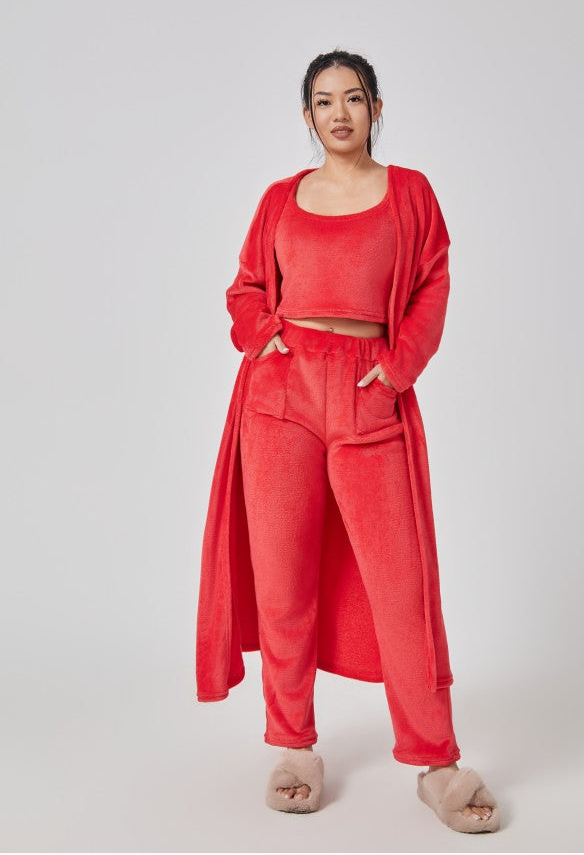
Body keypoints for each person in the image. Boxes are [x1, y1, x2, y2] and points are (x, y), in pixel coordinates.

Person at [196, 50, 500, 832]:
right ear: (307, 115)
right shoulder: (279, 199)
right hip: (281, 394)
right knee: (282, 577)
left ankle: (436, 762)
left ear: (376, 108)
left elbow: (431, 283)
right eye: (325, 101)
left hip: (369, 389)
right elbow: (246, 286)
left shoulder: (410, 193)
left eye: (354, 98)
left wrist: (396, 370)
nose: (340, 113)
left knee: (401, 583)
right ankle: (294, 745)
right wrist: (261, 336)